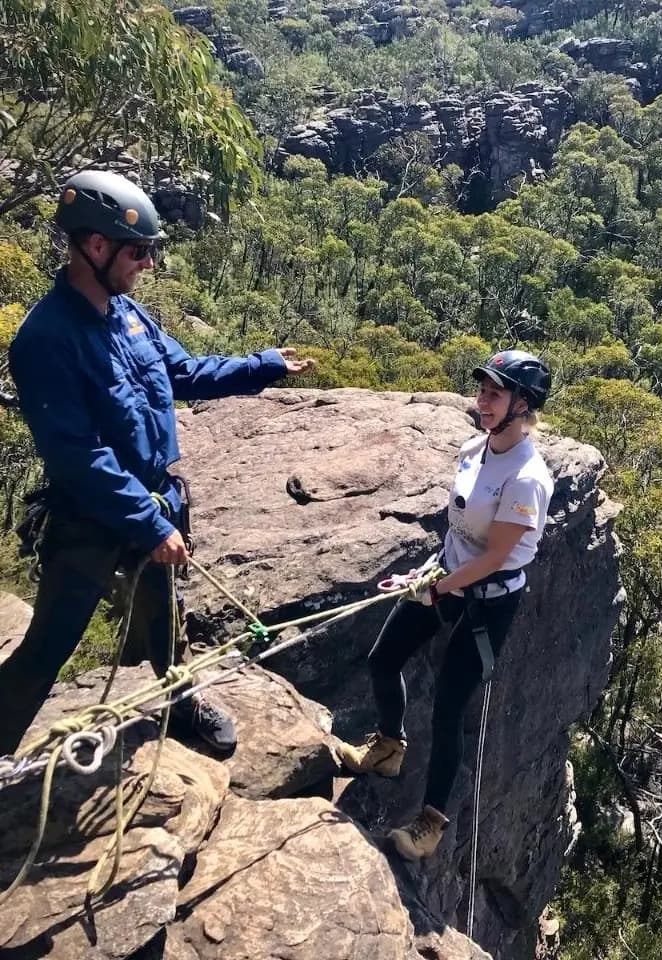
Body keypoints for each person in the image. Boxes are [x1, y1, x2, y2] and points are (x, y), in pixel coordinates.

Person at [0, 170, 313, 757]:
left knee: (166, 620)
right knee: (50, 645)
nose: (146, 264)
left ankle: (179, 700)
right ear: (96, 246)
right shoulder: (46, 339)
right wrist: (149, 524)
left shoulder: (130, 316)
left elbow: (185, 372)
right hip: (91, 518)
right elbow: (77, 457)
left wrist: (264, 364)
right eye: (138, 251)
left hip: (156, 499)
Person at [336, 349, 554, 861]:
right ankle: (389, 747)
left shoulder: (527, 477)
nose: (483, 400)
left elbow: (497, 556)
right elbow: (458, 530)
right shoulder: (473, 449)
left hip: (487, 601)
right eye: (482, 390)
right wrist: (427, 572)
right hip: (446, 576)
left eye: (495, 394)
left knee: (449, 709)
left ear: (523, 405)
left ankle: (430, 823)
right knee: (383, 658)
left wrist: (438, 588)